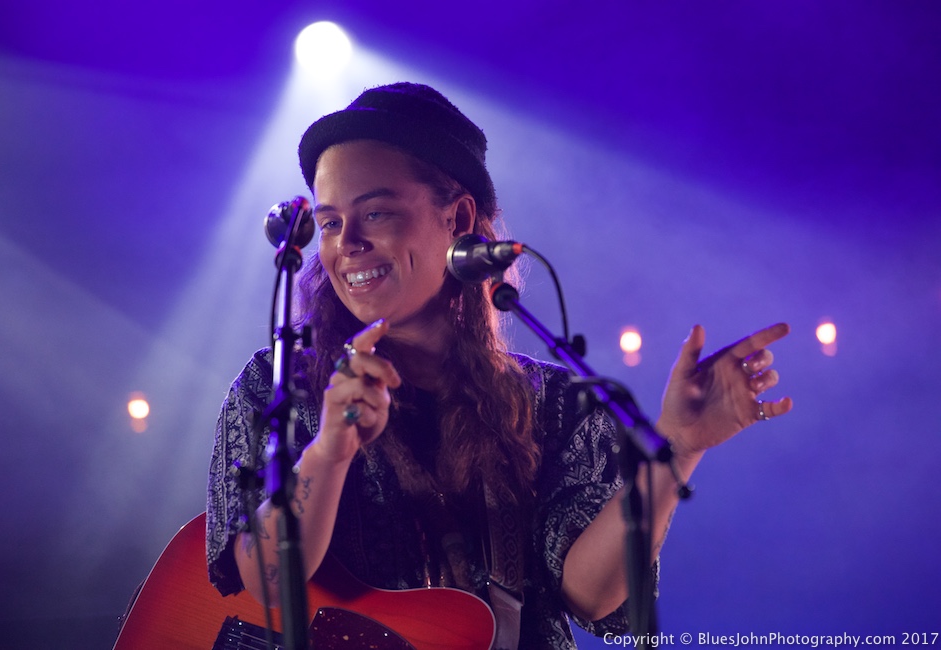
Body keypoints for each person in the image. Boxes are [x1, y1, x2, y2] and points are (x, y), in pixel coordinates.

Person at [206, 82, 792, 648]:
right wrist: (329, 452)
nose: (346, 243)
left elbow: (593, 596)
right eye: (330, 223)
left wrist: (679, 449)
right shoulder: (280, 385)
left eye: (376, 213)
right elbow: (263, 582)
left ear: (459, 220)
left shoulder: (557, 402)